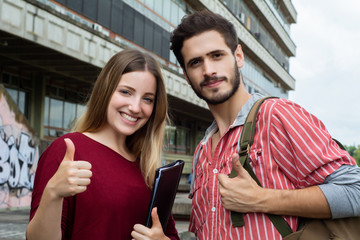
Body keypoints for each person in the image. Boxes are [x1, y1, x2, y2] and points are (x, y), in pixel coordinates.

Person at [170, 9, 360, 239]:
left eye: (217, 55)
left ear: (238, 56)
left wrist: (258, 199)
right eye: (196, 62)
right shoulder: (202, 151)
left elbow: (355, 191)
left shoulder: (275, 115)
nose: (208, 70)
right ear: (186, 75)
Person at [26, 49, 180, 240]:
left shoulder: (148, 167)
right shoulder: (68, 150)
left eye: (147, 99)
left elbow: (170, 235)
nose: (135, 107)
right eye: (126, 92)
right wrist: (52, 194)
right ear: (105, 91)